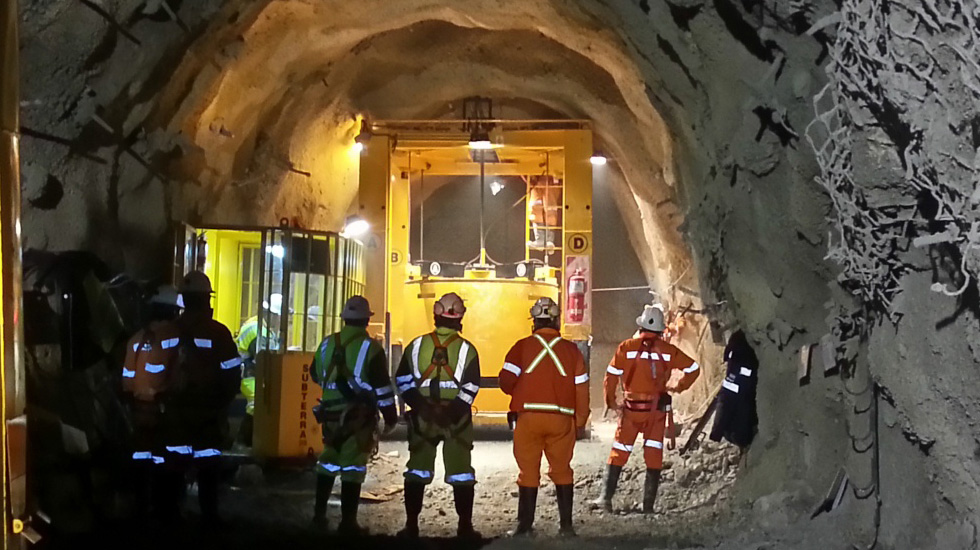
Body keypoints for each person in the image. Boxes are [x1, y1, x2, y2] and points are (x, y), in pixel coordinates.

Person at [593, 305, 701, 514]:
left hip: (632, 410)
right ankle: (648, 506)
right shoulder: (668, 351)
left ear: (641, 326)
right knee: (653, 453)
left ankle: (605, 499)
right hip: (656, 412)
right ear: (661, 330)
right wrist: (678, 386)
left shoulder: (626, 347)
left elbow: (611, 377)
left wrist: (611, 402)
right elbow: (693, 369)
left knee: (619, 452)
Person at [498, 297, 590, 536]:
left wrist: (522, 387)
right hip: (562, 419)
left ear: (534, 322)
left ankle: (525, 527)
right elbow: (581, 388)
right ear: (557, 321)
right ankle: (566, 527)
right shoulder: (572, 351)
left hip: (528, 418)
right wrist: (580, 421)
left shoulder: (522, 346)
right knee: (562, 470)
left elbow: (506, 382)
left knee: (528, 471)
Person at [394, 292, 481, 540]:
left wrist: (423, 407)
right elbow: (472, 387)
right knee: (461, 473)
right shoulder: (467, 350)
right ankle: (464, 527)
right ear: (460, 318)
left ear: (435, 315)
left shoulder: (416, 345)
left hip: (423, 419)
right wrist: (451, 413)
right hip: (457, 421)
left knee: (417, 471)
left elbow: (401, 379)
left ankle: (411, 526)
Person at [309, 295, 397, 536]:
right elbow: (382, 388)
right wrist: (391, 417)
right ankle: (348, 523)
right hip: (357, 417)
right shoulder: (371, 349)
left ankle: (318, 516)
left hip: (329, 416)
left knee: (327, 461)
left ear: (344, 319)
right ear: (367, 321)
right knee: (353, 467)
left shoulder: (327, 343)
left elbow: (315, 373)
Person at [165, 271, 243, 526]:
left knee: (175, 467)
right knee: (208, 467)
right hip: (208, 413)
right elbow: (232, 373)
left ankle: (172, 515)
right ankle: (209, 518)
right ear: (206, 299)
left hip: (175, 413)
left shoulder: (167, 332)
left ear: (184, 300)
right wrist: (222, 403)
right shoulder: (218, 333)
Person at [121, 285, 182, 519]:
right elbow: (179, 375)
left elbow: (127, 377)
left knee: (141, 458)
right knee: (166, 461)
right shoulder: (174, 337)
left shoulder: (137, 338)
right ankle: (166, 509)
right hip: (164, 411)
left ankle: (140, 507)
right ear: (172, 311)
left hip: (138, 411)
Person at [235, 293, 283, 445]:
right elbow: (262, 358)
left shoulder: (262, 327)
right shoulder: (257, 330)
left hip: (256, 375)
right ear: (271, 314)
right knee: (257, 404)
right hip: (250, 377)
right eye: (278, 316)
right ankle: (244, 441)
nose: (280, 320)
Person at [709, 329, 758, 448]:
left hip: (740, 430)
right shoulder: (742, 350)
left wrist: (716, 432)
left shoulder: (737, 355)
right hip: (742, 423)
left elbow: (725, 402)